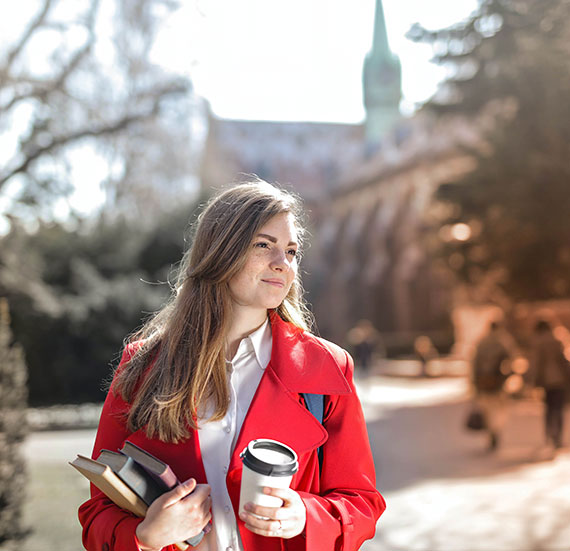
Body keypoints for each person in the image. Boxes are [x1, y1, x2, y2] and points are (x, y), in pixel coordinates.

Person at [78, 180, 385, 551]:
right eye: (263, 245)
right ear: (220, 252)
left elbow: (361, 502)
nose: (282, 263)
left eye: (291, 251)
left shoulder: (327, 368)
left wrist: (305, 515)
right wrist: (145, 537)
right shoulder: (142, 366)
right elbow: (98, 511)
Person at [471, 321, 511, 451]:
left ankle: (491, 431)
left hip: (483, 381)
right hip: (497, 382)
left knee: (487, 408)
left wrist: (474, 382)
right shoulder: (502, 342)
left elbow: (475, 364)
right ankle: (495, 431)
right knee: (497, 408)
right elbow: (510, 360)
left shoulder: (482, 342)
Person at [530, 320, 570, 449]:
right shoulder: (558, 340)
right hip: (559, 380)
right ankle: (557, 436)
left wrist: (535, 381)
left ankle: (549, 434)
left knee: (549, 409)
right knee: (558, 409)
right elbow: (564, 361)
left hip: (546, 381)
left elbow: (537, 365)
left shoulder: (539, 343)